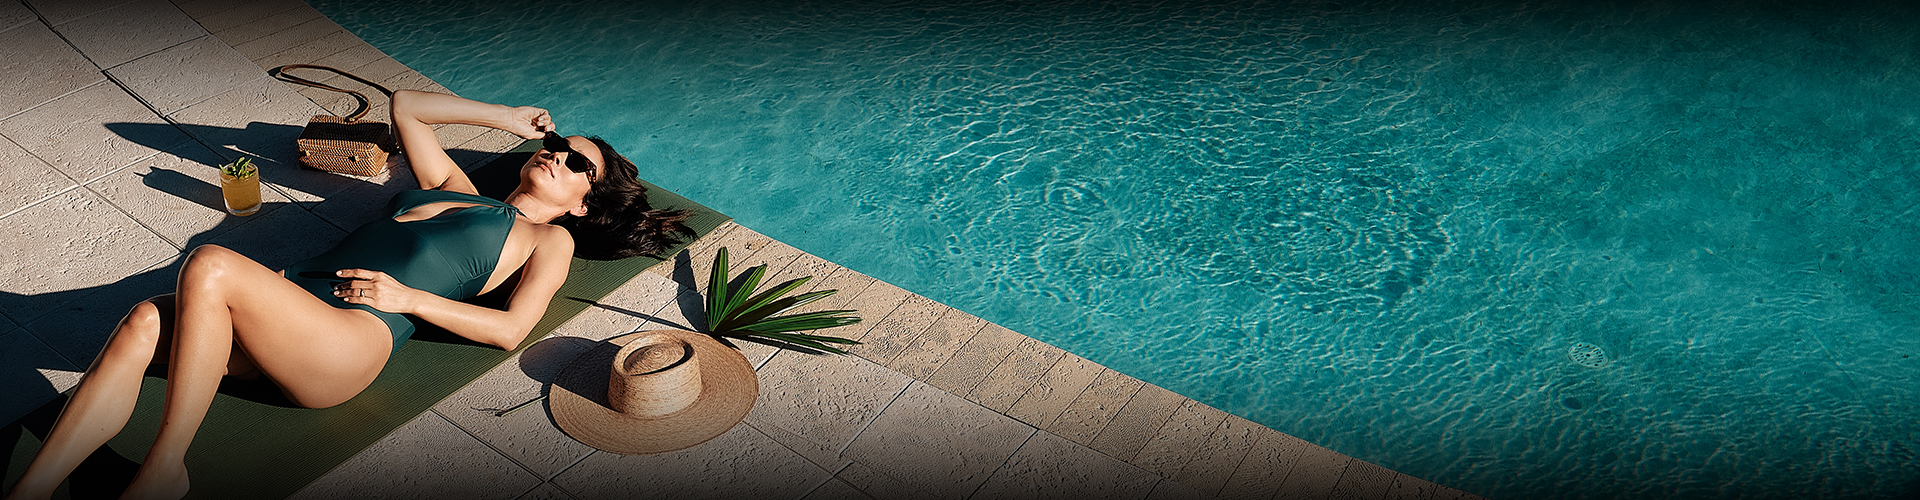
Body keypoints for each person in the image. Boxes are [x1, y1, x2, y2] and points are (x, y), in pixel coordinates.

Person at [3, 90, 691, 500]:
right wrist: (506, 118)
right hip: (292, 309)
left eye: (578, 165)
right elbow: (406, 109)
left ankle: (165, 470)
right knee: (143, 319)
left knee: (211, 262)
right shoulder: (454, 190)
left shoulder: (549, 242)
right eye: (561, 146)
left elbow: (512, 329)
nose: (559, 157)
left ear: (581, 204)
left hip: (350, 341)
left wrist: (409, 300)